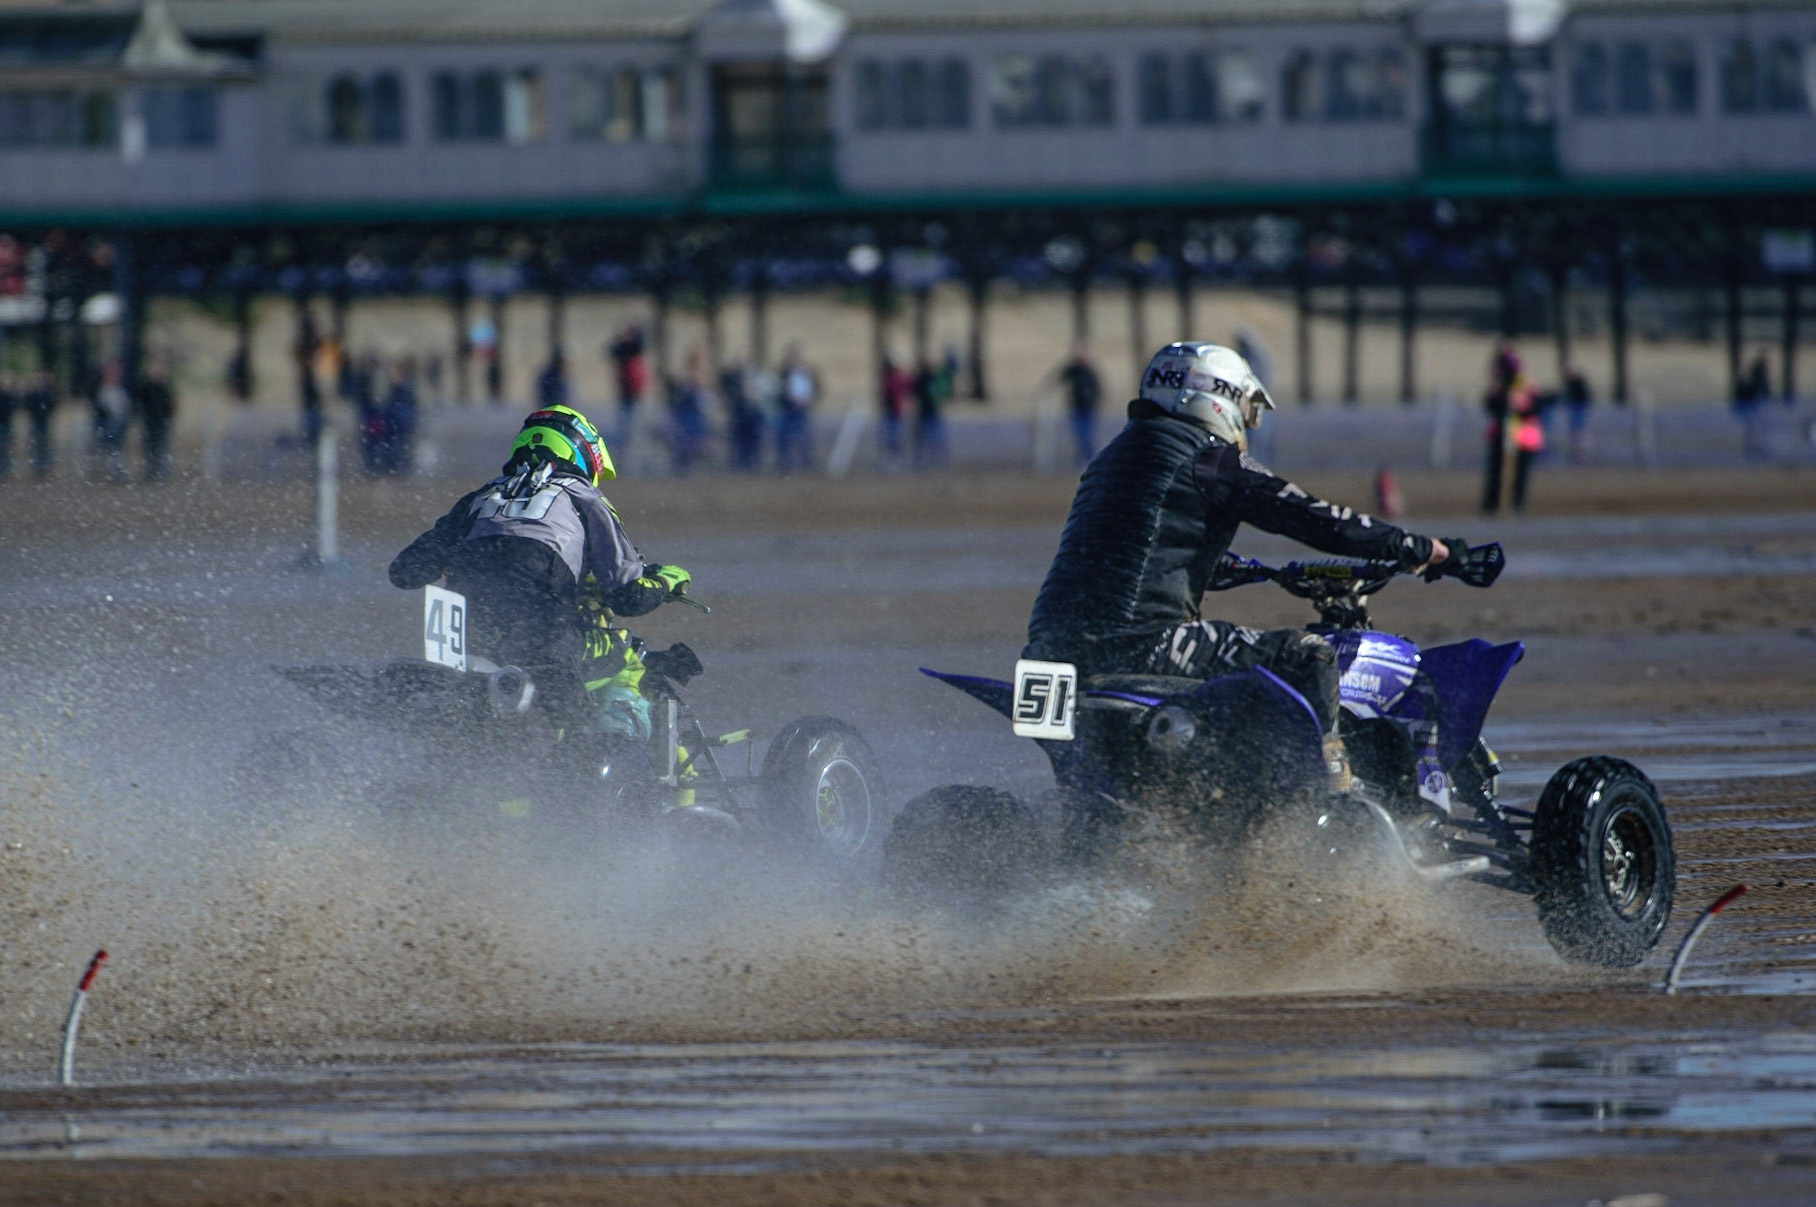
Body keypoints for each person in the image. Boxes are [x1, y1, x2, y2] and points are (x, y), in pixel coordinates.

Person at [1024, 342, 1449, 785]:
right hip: (1140, 642)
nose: (1249, 422)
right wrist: (1412, 545)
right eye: (1247, 408)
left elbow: (1141, 551)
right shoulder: (1205, 456)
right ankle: (1333, 788)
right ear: (1219, 397)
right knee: (1311, 656)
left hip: (1048, 651)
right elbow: (1313, 517)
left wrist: (1243, 569)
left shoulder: (1111, 459)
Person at [387, 404, 690, 762]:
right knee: (630, 660)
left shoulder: (480, 499)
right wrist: (668, 581)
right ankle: (615, 764)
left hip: (465, 646)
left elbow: (405, 571)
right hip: (544, 644)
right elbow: (628, 596)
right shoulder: (584, 497)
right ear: (584, 453)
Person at [1057, 341, 1102, 465]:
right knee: (1079, 435)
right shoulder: (1074, 371)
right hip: (1076, 407)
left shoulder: (1090, 373)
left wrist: (1094, 401)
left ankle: (1089, 459)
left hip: (1088, 408)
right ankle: (1081, 459)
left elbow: (1098, 390)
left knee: (1086, 435)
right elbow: (1060, 376)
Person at [776, 343, 817, 473]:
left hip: (803, 408)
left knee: (804, 436)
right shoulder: (783, 371)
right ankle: (784, 463)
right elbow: (779, 388)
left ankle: (806, 462)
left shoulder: (808, 371)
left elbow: (816, 388)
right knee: (785, 437)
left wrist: (809, 399)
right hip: (787, 408)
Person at [134, 356, 176, 482]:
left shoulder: (164, 385)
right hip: (150, 420)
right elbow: (140, 401)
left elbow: (170, 403)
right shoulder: (145, 385)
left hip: (161, 420)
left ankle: (158, 471)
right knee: (149, 446)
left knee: (160, 446)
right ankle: (151, 470)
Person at [912, 356, 949, 469]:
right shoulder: (924, 379)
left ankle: (935, 457)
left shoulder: (932, 378)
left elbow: (940, 392)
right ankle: (927, 458)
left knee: (933, 436)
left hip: (930, 412)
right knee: (926, 437)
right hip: (926, 412)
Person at [21, 368, 56, 480]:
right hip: (36, 420)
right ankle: (36, 468)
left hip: (43, 421)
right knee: (36, 444)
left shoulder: (48, 393)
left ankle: (42, 468)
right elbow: (27, 405)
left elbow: (52, 405)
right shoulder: (32, 393)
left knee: (43, 445)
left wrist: (43, 412)